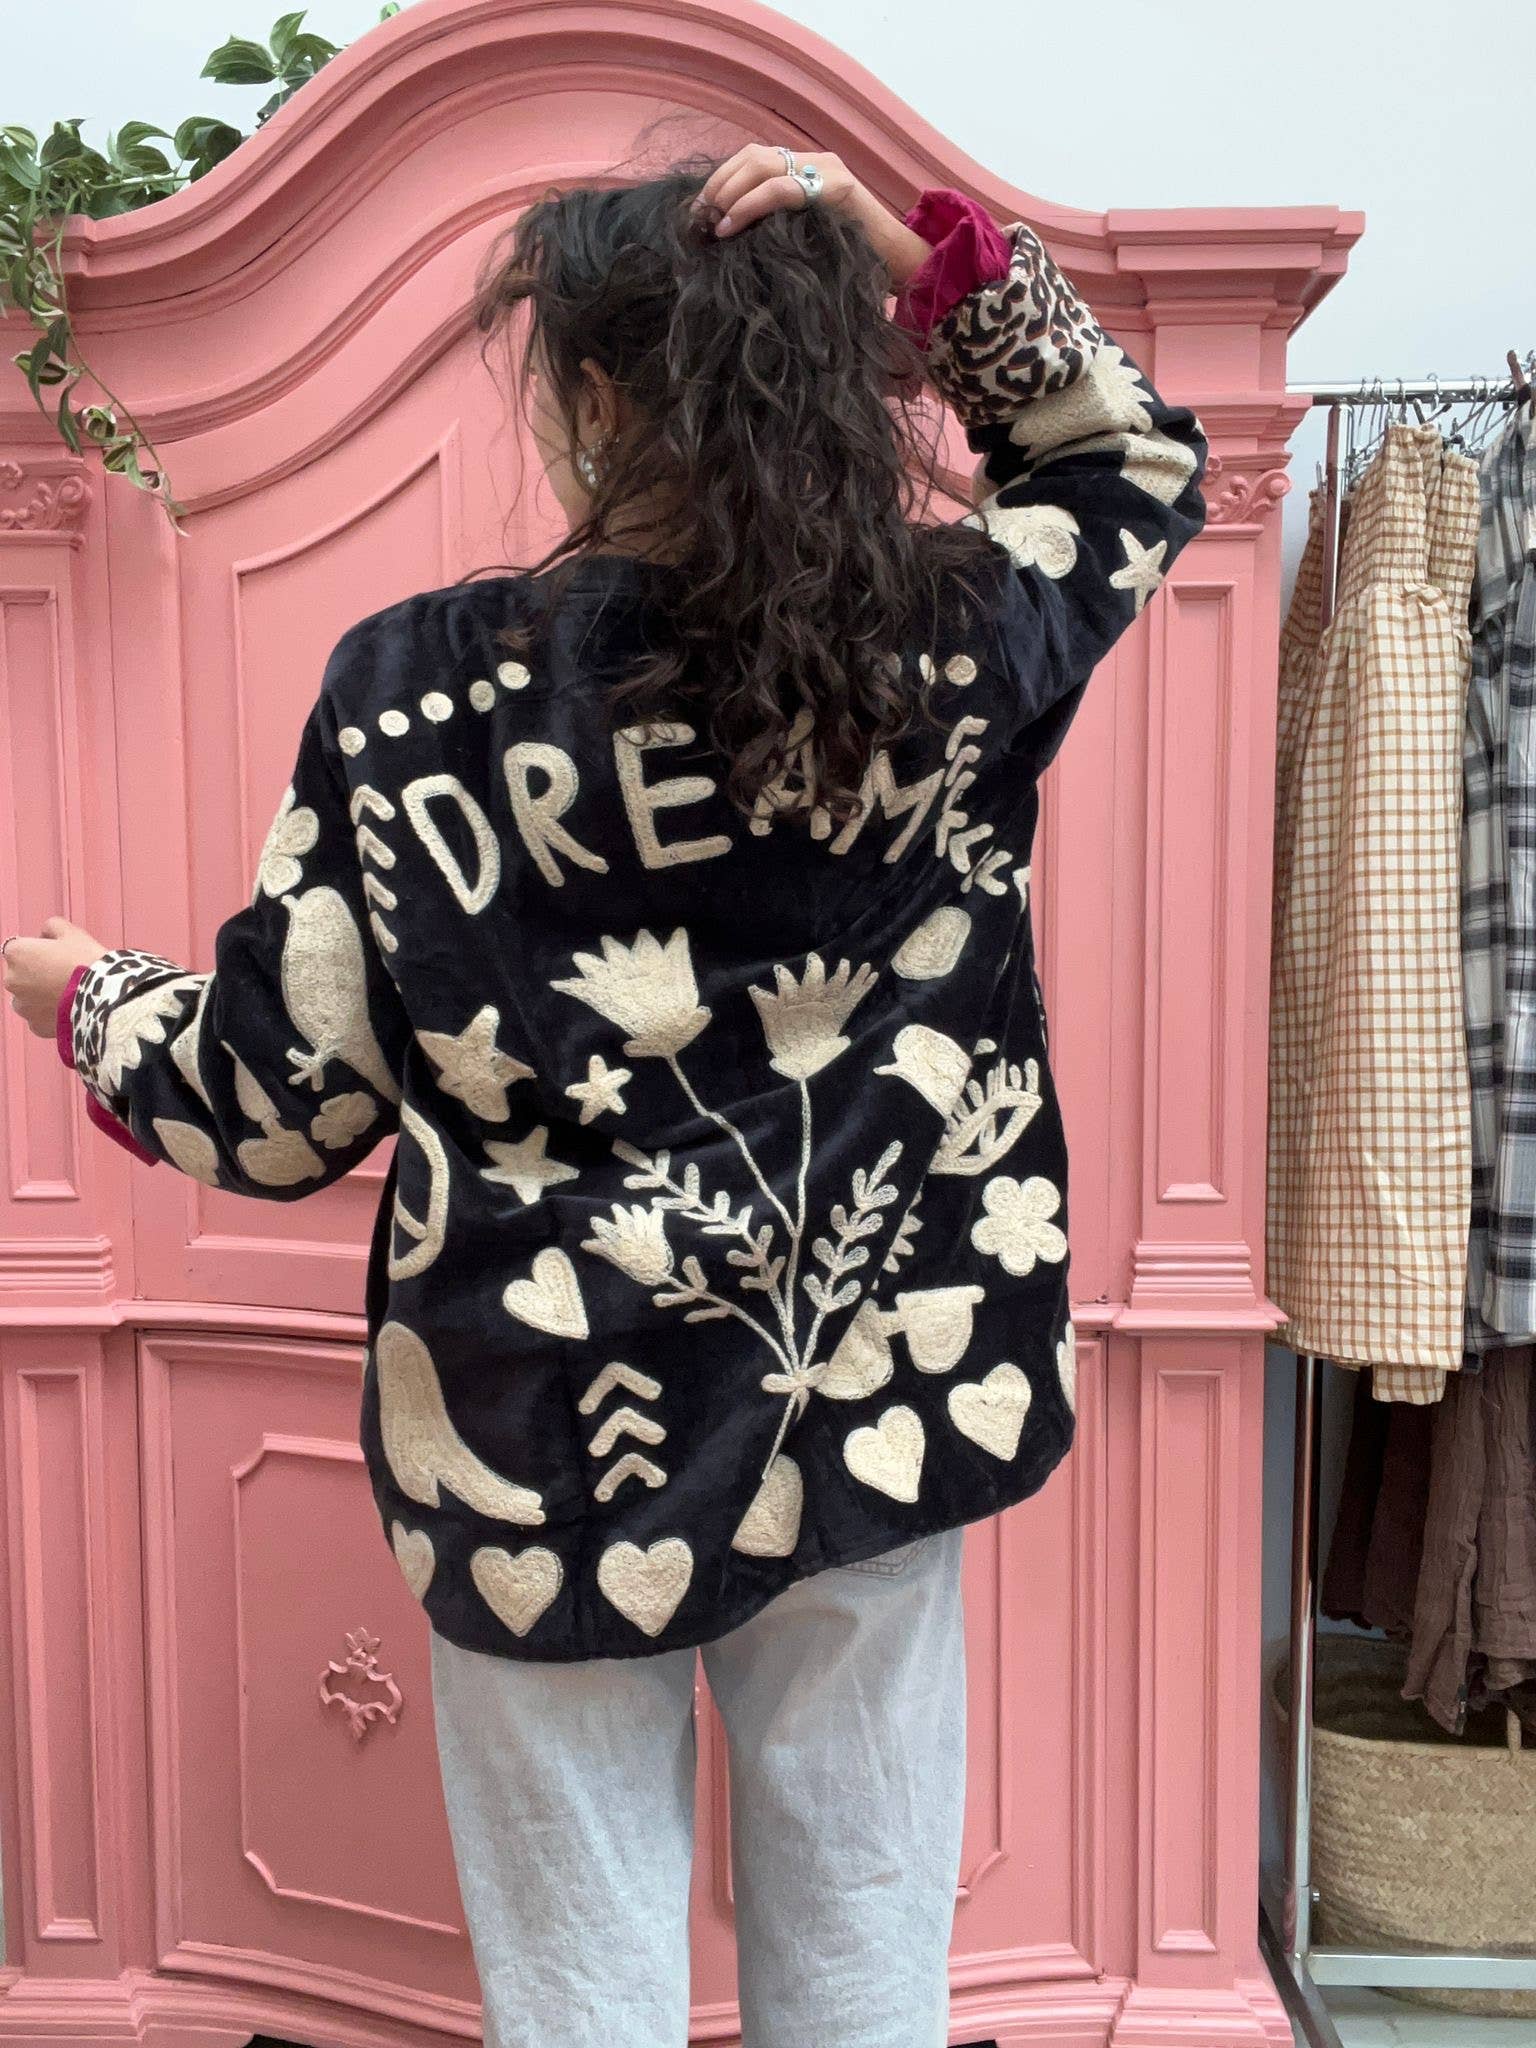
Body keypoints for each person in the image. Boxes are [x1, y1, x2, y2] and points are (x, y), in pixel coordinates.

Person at [2, 143, 1208, 2048]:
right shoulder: (955, 639)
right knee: (866, 1957)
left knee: (581, 1995)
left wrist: (92, 1004)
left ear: (584, 394)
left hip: (540, 1433)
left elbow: (280, 1103)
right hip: (879, 1397)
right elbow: (1126, 464)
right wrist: (922, 259)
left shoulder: (412, 695)